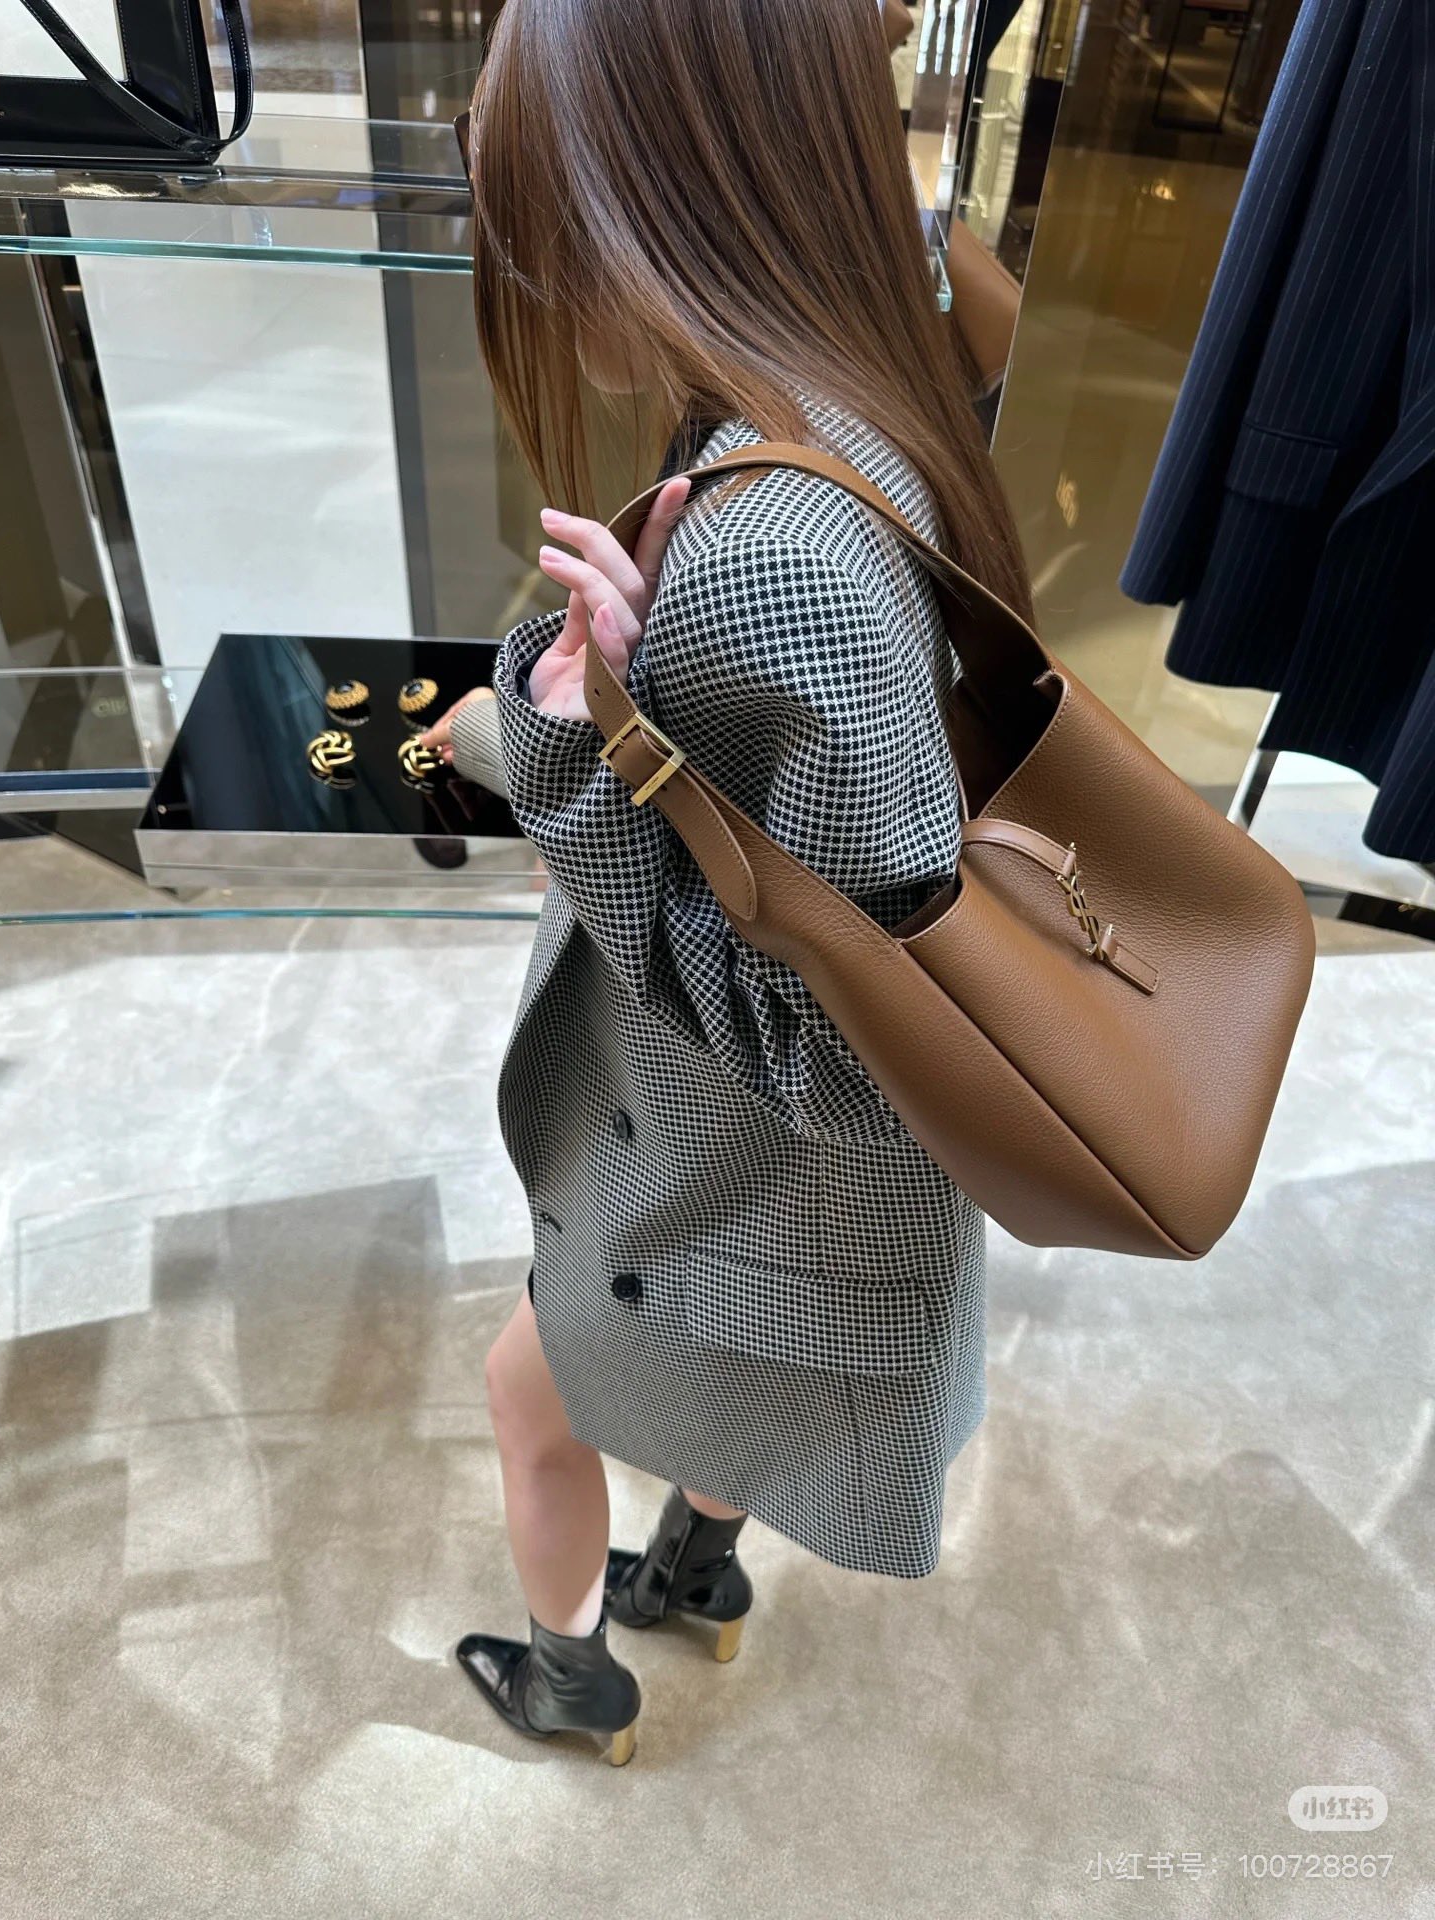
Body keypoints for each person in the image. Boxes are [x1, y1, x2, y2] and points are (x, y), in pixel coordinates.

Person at [421, 0, 1035, 1768]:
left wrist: (572, 750)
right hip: (765, 1199)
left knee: (525, 1398)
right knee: (702, 1390)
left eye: (555, 223)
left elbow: (860, 1052)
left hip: (716, 1166)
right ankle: (696, 1567)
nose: (542, 281)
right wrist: (628, 717)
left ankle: (569, 1680)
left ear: (677, 191)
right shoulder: (864, 405)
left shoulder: (776, 554)